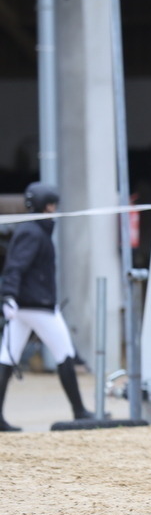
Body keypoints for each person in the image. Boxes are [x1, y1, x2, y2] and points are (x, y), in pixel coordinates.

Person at [0, 182, 94, 431]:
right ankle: (79, 410)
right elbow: (15, 266)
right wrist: (8, 294)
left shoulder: (35, 230)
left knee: (7, 358)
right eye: (51, 205)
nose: (54, 209)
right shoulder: (33, 232)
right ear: (44, 206)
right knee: (64, 353)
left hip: (25, 306)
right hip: (37, 306)